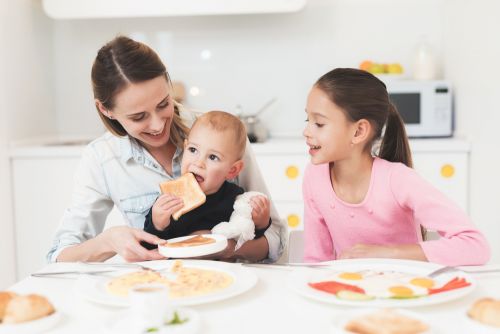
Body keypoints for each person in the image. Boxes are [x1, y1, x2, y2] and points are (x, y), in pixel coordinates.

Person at [47, 36, 286, 264]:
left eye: (163, 104)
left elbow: (276, 237)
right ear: (106, 110)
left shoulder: (221, 134)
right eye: (138, 117)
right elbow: (60, 254)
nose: (158, 124)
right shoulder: (102, 158)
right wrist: (109, 241)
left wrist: (226, 249)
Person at [302, 68, 490, 266]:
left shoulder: (398, 180)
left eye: (319, 123)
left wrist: (385, 253)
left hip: (408, 291)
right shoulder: (314, 177)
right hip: (351, 294)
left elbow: (475, 246)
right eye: (308, 120)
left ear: (358, 131)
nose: (306, 131)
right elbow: (316, 264)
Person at [143, 111, 268, 249]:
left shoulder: (234, 198)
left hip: (221, 267)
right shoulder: (169, 200)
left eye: (213, 157)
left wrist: (260, 222)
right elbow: (149, 246)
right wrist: (157, 224)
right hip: (178, 267)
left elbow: (247, 236)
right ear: (185, 148)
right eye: (193, 150)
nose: (198, 163)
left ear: (232, 170)